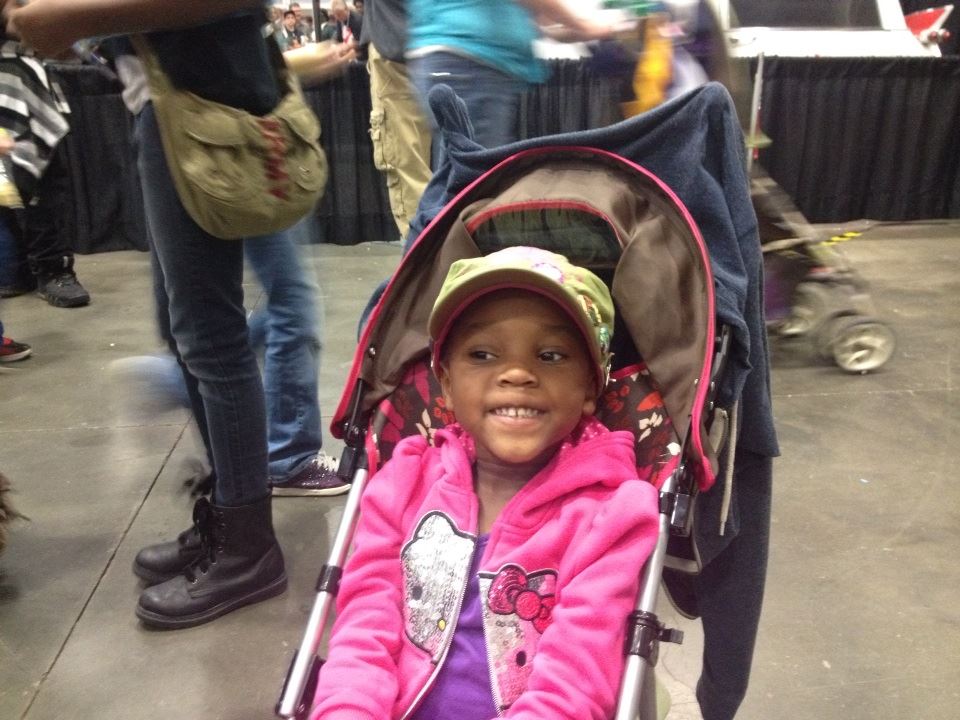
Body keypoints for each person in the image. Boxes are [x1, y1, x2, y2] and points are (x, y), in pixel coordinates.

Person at [1, 0, 332, 630]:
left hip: (200, 108)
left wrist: (73, 18)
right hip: (173, 105)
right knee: (188, 335)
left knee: (211, 337)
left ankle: (248, 546)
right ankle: (231, 519)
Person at [310, 246, 660, 719]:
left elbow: (574, 682)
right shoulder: (404, 483)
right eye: (482, 354)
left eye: (551, 355)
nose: (516, 373)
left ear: (589, 389)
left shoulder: (611, 516)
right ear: (447, 385)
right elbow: (363, 632)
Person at [405, 0, 613, 156]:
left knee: (462, 178)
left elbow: (541, 23)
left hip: (463, 65)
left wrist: (579, 30)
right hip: (468, 65)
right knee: (475, 182)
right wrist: (585, 26)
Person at [0, 30, 90, 307]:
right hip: (11, 70)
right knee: (10, 184)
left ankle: (52, 269)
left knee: (41, 182)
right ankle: (18, 269)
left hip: (21, 72)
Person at [360, 0, 431, 242]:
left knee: (408, 163)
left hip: (398, 40)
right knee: (459, 166)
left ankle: (424, 255)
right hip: (453, 44)